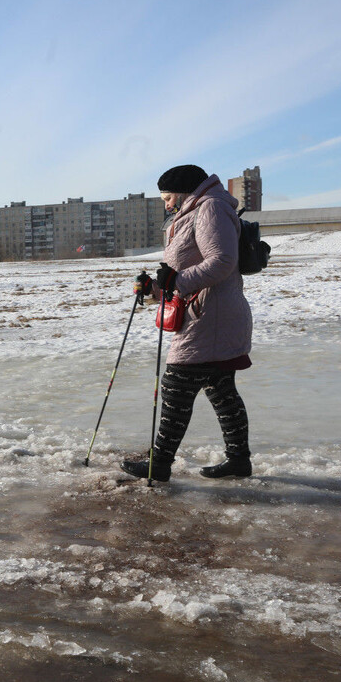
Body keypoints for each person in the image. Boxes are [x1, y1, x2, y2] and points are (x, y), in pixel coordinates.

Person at [122, 164, 253, 482]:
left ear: (183, 193)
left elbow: (222, 260)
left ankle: (159, 463)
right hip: (209, 315)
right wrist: (155, 287)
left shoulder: (210, 208)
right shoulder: (196, 210)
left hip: (210, 318)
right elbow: (184, 271)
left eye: (168, 198)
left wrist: (176, 281)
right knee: (221, 390)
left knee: (175, 387)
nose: (167, 205)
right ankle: (238, 460)